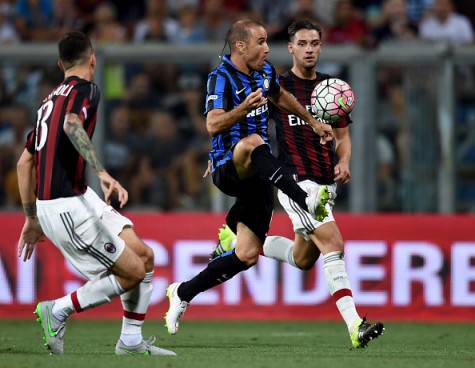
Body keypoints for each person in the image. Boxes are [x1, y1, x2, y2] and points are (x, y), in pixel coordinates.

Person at [211, 20, 384, 349]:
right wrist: (220, 154)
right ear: (290, 47)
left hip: (326, 183)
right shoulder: (275, 82)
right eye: (302, 43)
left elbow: (343, 138)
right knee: (333, 243)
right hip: (296, 181)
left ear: (321, 46)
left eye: (315, 43)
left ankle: (237, 237)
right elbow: (245, 123)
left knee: (304, 259)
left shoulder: (332, 90)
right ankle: (355, 324)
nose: (309, 49)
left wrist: (344, 160)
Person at [164, 19, 334, 335]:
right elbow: (213, 125)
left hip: (259, 173)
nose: (267, 48)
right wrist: (242, 109)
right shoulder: (221, 78)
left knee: (246, 255)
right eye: (261, 41)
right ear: (241, 46)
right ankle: (303, 197)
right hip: (230, 167)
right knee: (254, 142)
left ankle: (182, 292)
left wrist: (311, 121)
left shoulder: (264, 72)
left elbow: (281, 97)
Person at [16, 31, 175, 357]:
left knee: (144, 257)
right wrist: (102, 172)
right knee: (131, 273)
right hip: (65, 205)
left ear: (61, 64)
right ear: (92, 59)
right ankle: (58, 309)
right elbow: (72, 125)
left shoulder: (49, 100)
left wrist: (31, 218)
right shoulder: (86, 89)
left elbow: (24, 162)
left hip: (75, 196)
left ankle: (130, 340)